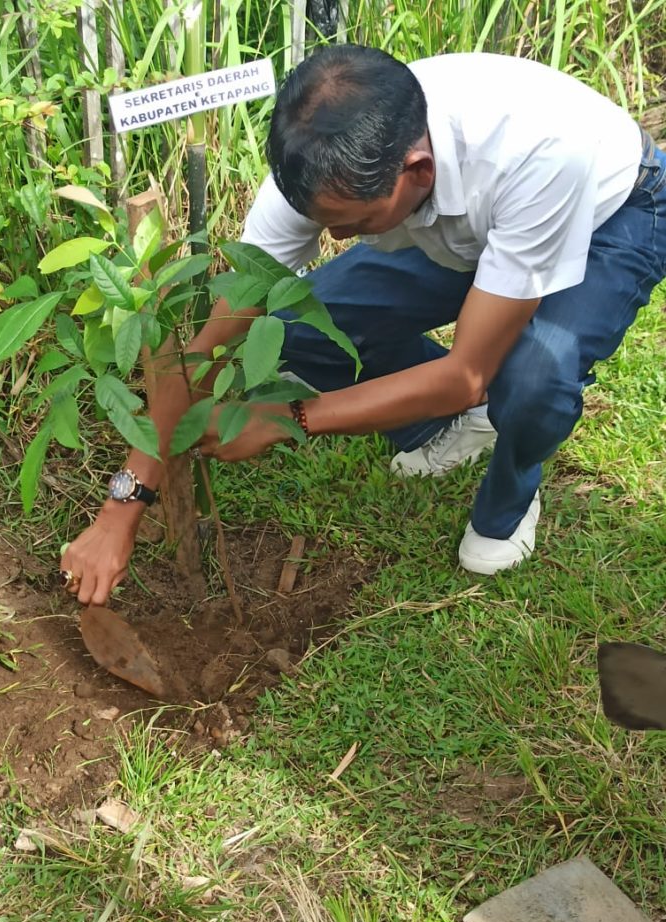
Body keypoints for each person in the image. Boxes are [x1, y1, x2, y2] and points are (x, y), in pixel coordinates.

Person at [60, 45, 666, 605]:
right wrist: (124, 505)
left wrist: (287, 419)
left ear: (418, 170)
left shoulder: (538, 153)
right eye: (323, 222)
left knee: (532, 377)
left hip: (610, 214)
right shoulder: (320, 164)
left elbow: (466, 373)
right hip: (462, 230)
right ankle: (450, 422)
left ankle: (511, 492)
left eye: (352, 223)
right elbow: (215, 341)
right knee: (294, 323)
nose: (334, 238)